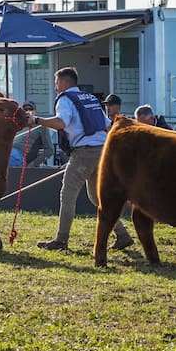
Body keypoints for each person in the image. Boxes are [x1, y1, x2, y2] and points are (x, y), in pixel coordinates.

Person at [34, 67, 132, 252]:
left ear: (64, 83)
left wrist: (37, 120)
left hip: (83, 153)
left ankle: (61, 240)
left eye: (56, 83)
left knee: (68, 195)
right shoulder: (91, 98)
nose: (55, 87)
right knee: (97, 197)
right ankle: (122, 235)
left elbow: (61, 123)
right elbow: (108, 126)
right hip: (103, 152)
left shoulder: (65, 99)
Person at [8, 100, 54, 168]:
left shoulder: (41, 126)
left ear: (35, 111)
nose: (28, 111)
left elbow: (50, 150)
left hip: (20, 155)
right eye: (25, 109)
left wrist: (34, 164)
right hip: (8, 150)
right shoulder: (17, 124)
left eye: (30, 109)